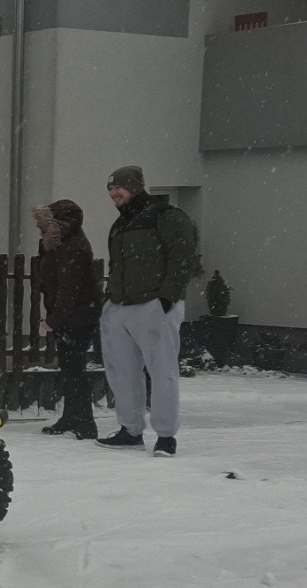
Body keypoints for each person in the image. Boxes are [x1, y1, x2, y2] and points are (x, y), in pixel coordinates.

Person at [98, 165, 199, 456]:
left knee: (162, 371)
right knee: (122, 373)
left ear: (135, 187)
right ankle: (130, 430)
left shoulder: (165, 216)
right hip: (120, 307)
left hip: (154, 305)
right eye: (110, 189)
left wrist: (167, 299)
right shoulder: (120, 225)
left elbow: (183, 257)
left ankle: (166, 436)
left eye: (119, 187)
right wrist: (110, 301)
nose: (114, 193)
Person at [34, 200, 102, 439]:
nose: (40, 227)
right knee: (71, 370)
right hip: (73, 316)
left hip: (78, 318)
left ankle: (84, 422)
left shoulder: (73, 246)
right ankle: (73, 417)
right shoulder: (60, 244)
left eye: (46, 222)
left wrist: (54, 319)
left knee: (75, 372)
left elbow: (68, 289)